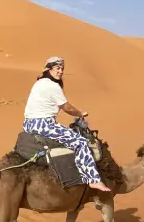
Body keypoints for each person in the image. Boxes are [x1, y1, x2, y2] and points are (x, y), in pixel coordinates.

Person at [23, 56, 111, 192]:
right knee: (81, 142)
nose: (60, 71)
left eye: (62, 69)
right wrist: (81, 113)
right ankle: (93, 180)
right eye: (57, 68)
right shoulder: (52, 86)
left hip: (29, 124)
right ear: (49, 69)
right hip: (44, 124)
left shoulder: (39, 83)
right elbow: (67, 107)